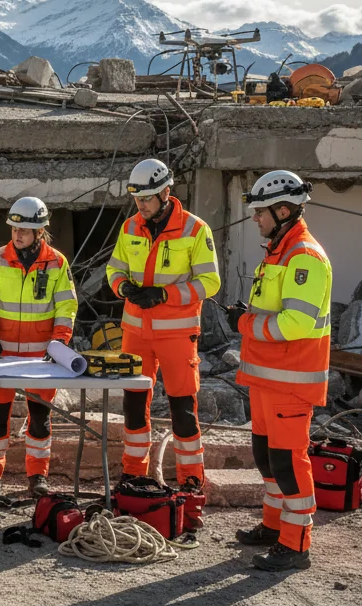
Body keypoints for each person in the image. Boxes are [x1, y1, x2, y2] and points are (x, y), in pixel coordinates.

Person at [228, 170, 332, 572]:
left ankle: (296, 544)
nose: (255, 218)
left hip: (291, 382)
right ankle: (273, 527)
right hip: (268, 379)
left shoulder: (304, 256)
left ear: (283, 210)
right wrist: (249, 318)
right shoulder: (279, 251)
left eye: (260, 212)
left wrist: (244, 323)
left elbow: (295, 324)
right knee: (267, 459)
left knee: (289, 462)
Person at [106, 158, 220, 518]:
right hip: (135, 332)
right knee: (133, 407)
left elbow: (210, 282)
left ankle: (191, 483)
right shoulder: (130, 227)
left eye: (148, 199)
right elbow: (114, 268)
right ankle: (133, 475)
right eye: (138, 200)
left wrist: (164, 295)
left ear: (166, 194)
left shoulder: (195, 229)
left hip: (176, 335)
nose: (141, 206)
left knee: (182, 411)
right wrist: (123, 286)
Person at [0, 197, 77, 498]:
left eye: (25, 230)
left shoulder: (57, 262)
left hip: (40, 358)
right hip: (2, 355)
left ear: (40, 232)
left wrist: (59, 341)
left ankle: (37, 477)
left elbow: (67, 305)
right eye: (14, 229)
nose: (17, 235)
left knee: (40, 419)